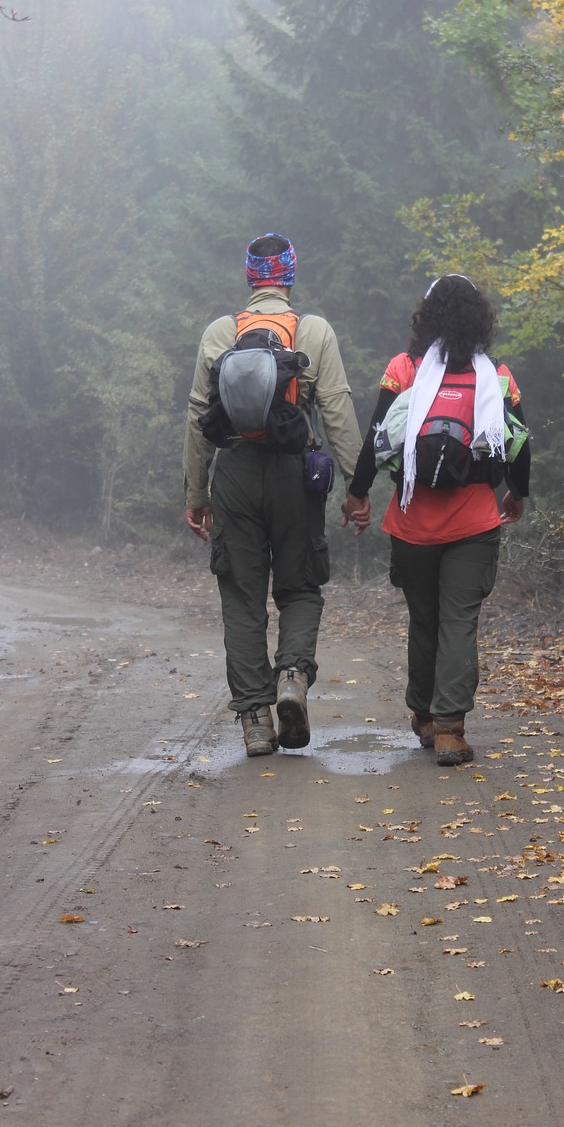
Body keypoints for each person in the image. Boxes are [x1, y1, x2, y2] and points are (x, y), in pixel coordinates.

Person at [184, 232, 368, 757]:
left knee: (242, 598)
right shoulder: (313, 330)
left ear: (250, 277)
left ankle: (256, 721)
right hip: (295, 472)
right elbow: (336, 410)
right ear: (290, 275)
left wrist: (197, 493)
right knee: (301, 585)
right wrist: (356, 491)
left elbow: (199, 418)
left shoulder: (220, 332)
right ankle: (291, 677)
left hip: (235, 472)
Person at [341, 273, 530, 766]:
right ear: (479, 320)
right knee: (459, 623)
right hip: (474, 521)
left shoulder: (404, 369)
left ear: (425, 317)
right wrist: (516, 494)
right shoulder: (498, 376)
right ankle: (449, 729)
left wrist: (357, 496)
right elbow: (520, 443)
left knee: (425, 620)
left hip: (411, 523)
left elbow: (377, 437)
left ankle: (424, 716)